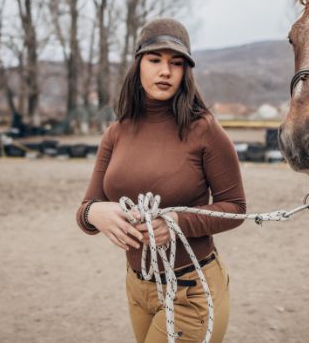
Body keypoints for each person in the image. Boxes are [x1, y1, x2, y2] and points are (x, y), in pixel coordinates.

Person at [76, 17, 247, 343]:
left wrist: (176, 222)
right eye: (155, 60)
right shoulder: (116, 132)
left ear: (185, 72)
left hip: (190, 292)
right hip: (138, 288)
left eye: (176, 63)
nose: (165, 71)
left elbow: (236, 208)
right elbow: (86, 208)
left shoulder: (204, 130)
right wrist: (94, 213)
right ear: (138, 65)